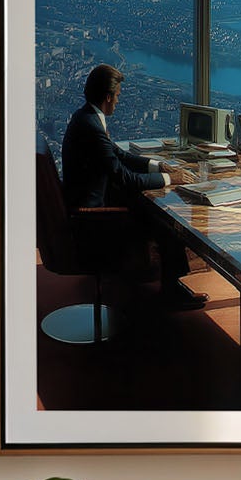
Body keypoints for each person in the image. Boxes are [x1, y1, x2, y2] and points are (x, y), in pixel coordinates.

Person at [59, 65, 204, 309]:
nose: (118, 101)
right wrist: (172, 179)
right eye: (117, 96)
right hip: (91, 221)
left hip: (86, 208)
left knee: (145, 208)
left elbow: (118, 155)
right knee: (167, 224)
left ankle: (166, 284)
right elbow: (127, 178)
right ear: (108, 97)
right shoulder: (92, 127)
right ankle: (171, 290)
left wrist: (158, 166)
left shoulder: (85, 117)